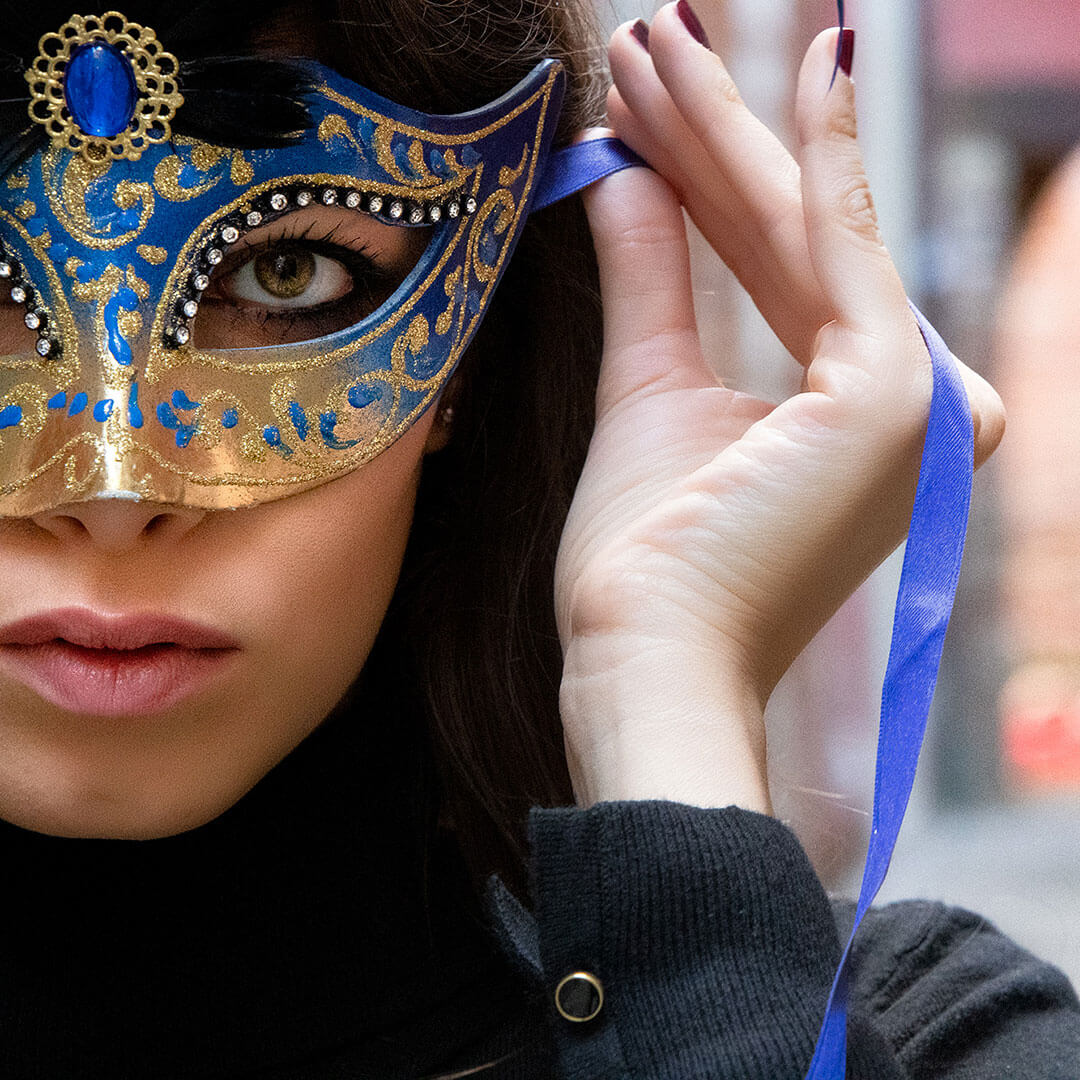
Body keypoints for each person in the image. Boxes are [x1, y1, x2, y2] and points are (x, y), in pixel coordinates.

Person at [0, 1, 1074, 1078]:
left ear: (467, 353)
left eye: (288, 275)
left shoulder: (935, 1036)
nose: (109, 489)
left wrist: (666, 704)